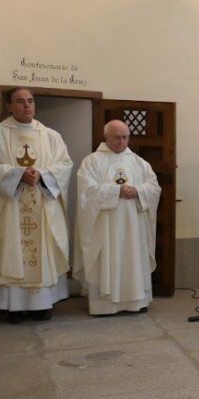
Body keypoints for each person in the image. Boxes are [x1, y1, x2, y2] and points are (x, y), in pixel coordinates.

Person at [0, 88, 73, 322]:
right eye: (20, 101)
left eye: (30, 101)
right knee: (11, 249)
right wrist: (17, 175)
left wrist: (42, 175)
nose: (26, 106)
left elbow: (65, 165)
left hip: (42, 204)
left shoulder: (51, 136)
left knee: (42, 250)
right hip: (9, 208)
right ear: (9, 106)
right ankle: (13, 306)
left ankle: (42, 305)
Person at [74, 120, 161, 315]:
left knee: (133, 259)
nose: (121, 141)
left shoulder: (139, 162)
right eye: (116, 137)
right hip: (105, 227)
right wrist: (116, 192)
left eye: (125, 137)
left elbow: (154, 188)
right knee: (108, 259)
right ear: (106, 137)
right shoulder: (92, 161)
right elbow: (86, 193)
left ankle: (136, 302)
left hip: (134, 226)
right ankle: (104, 306)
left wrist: (138, 191)